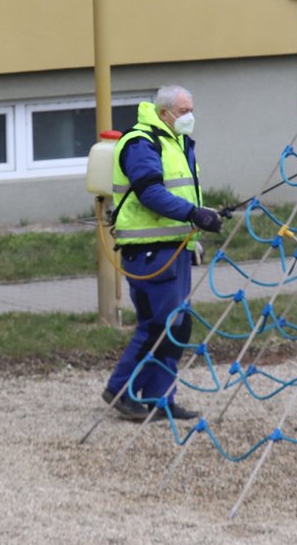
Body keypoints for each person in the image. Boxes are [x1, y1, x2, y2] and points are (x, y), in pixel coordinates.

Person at [102, 85, 222, 421]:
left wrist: (200, 215)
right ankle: (121, 391)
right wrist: (192, 213)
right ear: (164, 112)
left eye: (191, 109)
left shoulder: (176, 142)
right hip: (150, 250)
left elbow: (178, 192)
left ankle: (159, 398)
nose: (190, 117)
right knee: (159, 326)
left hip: (174, 247)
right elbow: (150, 193)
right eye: (184, 111)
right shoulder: (142, 143)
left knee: (176, 328)